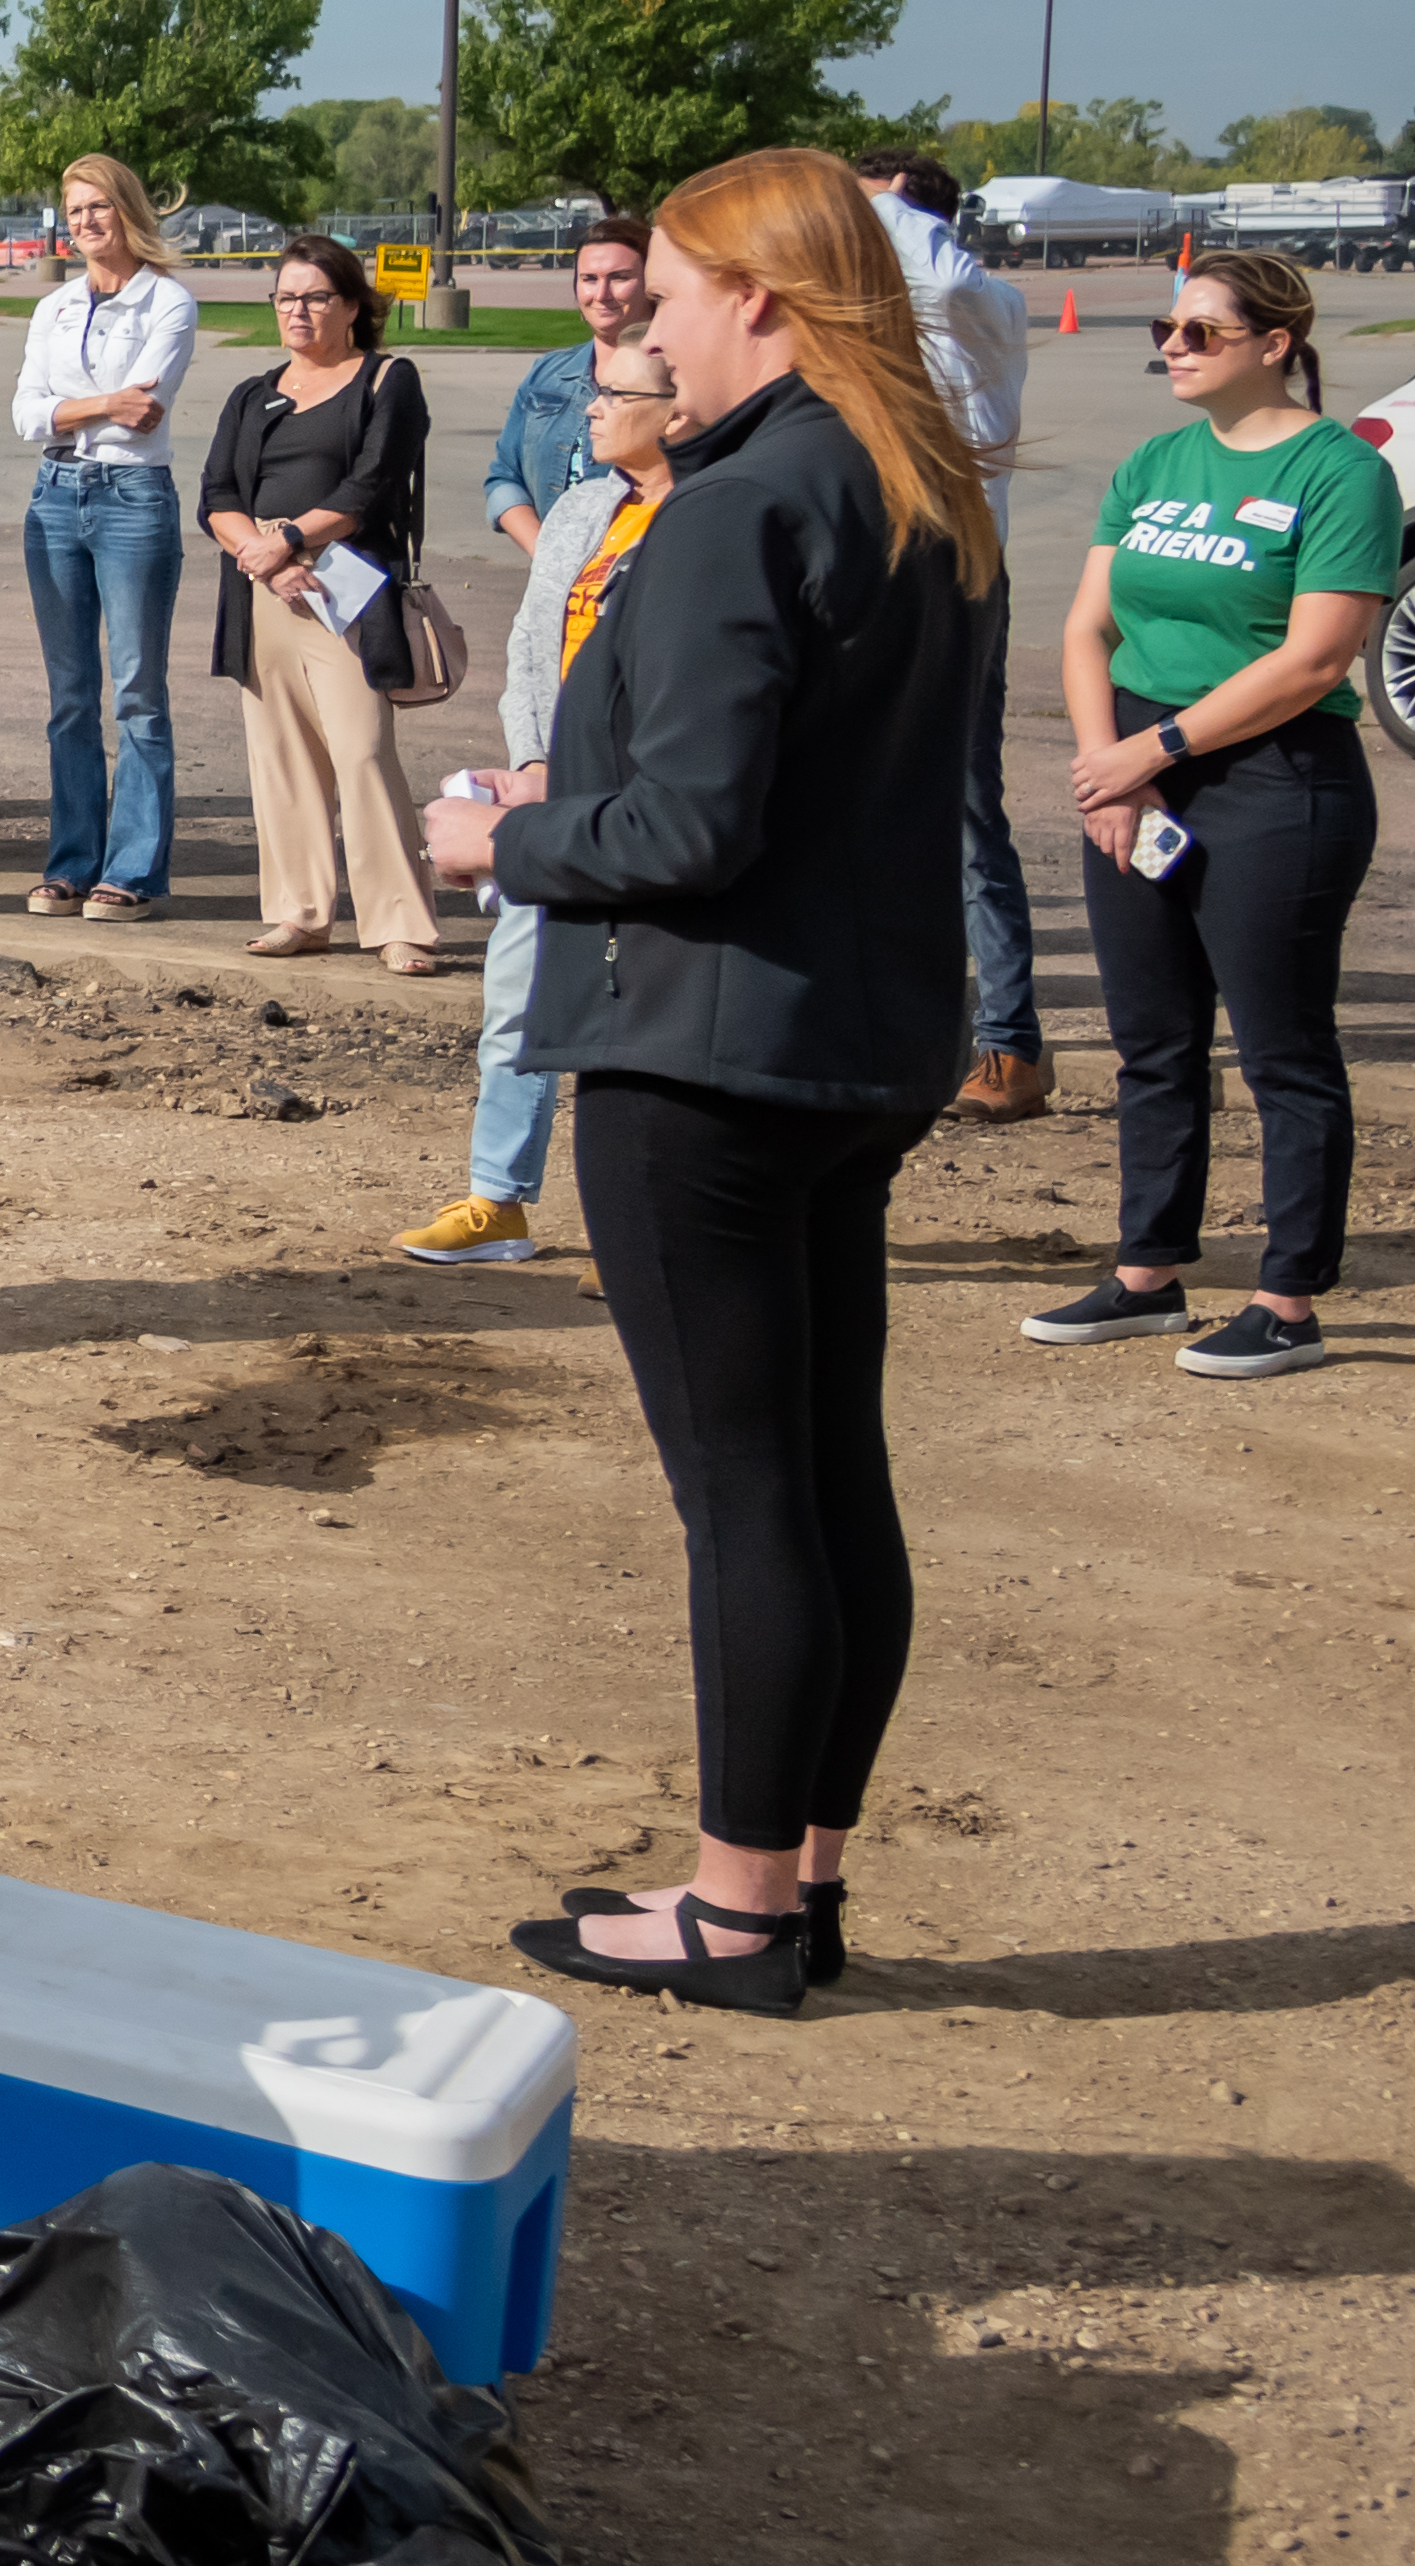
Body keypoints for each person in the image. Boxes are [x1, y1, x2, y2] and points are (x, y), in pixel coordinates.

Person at [434, 148, 990, 2014]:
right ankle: (799, 1871)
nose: (638, 322)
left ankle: (735, 1904)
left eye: (664, 289)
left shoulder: (741, 504)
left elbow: (684, 822)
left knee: (744, 1494)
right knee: (830, 1475)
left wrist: (501, 842)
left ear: (759, 292)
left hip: (707, 1052)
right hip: (854, 1036)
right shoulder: (908, 483)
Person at [1027, 252, 1398, 1381]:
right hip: (1137, 772)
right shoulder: (1154, 460)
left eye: (1199, 332)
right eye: (1167, 329)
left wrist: (1157, 748)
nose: (1172, 348)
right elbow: (1088, 625)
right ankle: (1149, 1272)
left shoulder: (1340, 472)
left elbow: (1316, 656)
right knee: (1152, 1040)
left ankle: (1289, 1300)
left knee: (1281, 1050)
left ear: (1275, 343)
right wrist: (1109, 765)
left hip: (1276, 779)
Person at [401, 320, 673, 1264]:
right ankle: (496, 1200)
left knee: (642, 1019)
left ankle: (650, 1232)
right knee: (516, 996)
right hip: (550, 799)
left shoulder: (707, 519)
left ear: (675, 412)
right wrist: (529, 766)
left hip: (643, 808)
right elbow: (528, 645)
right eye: (594, 391)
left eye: (617, 397)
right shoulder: (580, 508)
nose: (592, 408)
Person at [860, 151, 1053, 1123]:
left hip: (958, 575)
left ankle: (1010, 1044)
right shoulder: (878, 321)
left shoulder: (984, 306)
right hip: (869, 568)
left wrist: (859, 206)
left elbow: (929, 267)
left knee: (967, 810)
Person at [199, 232, 447, 970]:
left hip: (346, 590)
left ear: (350, 306)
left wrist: (290, 541)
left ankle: (400, 921)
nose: (296, 311)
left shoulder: (385, 380)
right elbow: (216, 495)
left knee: (362, 750)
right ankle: (299, 912)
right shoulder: (252, 392)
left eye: (313, 297)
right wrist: (262, 557)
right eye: (284, 297)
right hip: (261, 593)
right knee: (281, 759)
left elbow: (370, 485)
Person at [16, 156, 203, 922]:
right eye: (74, 209)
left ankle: (131, 869)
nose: (85, 222)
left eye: (98, 207)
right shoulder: (53, 306)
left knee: (136, 695)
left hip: (130, 500)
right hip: (55, 495)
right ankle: (71, 861)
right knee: (68, 698)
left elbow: (145, 408)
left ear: (128, 210)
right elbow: (25, 416)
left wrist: (68, 406)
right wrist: (92, 405)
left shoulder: (170, 302)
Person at [473, 217, 653, 554]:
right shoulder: (549, 373)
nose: (601, 294)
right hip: (554, 590)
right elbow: (503, 478)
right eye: (589, 279)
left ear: (651, 284)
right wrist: (547, 555)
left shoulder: (673, 380)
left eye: (620, 278)